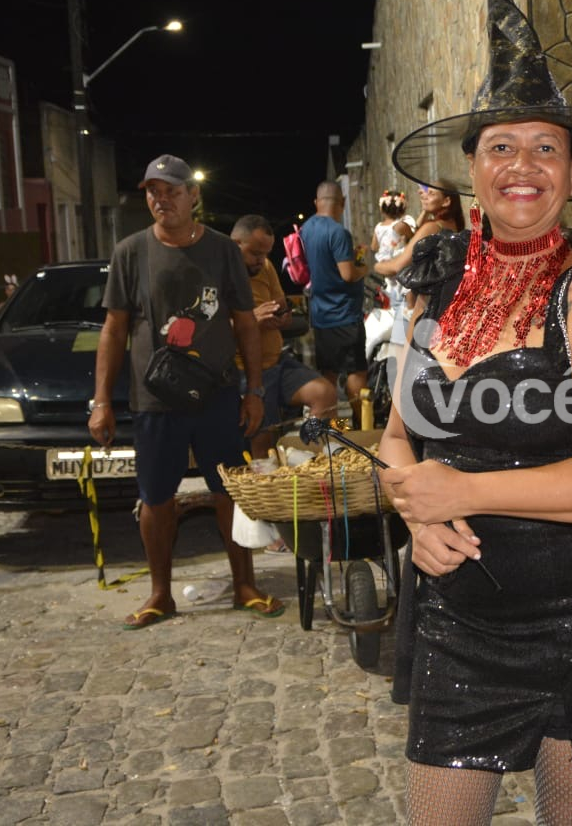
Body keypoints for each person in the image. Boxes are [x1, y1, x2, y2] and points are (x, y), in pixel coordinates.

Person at [379, 0, 572, 826]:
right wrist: (417, 513)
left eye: (545, 147)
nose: (522, 167)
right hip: (457, 615)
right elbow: (397, 439)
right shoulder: (438, 288)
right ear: (472, 167)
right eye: (501, 146)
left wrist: (463, 490)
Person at [90, 154, 284, 629]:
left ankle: (244, 584)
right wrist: (102, 401)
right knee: (156, 496)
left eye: (172, 191)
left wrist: (255, 390)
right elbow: (114, 329)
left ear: (193, 196)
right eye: (153, 192)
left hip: (217, 392)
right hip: (155, 399)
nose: (162, 200)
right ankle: (161, 594)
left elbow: (245, 323)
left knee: (229, 489)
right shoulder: (130, 252)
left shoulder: (221, 250)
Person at [230, 214, 338, 459]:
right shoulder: (217, 270)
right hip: (244, 370)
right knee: (262, 441)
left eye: (266, 253)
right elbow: (210, 329)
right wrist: (251, 320)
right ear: (236, 244)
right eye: (255, 253)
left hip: (276, 361)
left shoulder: (265, 267)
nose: (261, 260)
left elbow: (280, 304)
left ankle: (316, 457)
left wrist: (283, 316)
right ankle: (266, 478)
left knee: (324, 393)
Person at [300, 181, 369, 421]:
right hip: (344, 314)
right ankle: (361, 427)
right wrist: (363, 267)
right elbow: (348, 274)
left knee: (328, 372)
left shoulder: (307, 228)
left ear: (316, 202)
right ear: (343, 202)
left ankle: (328, 426)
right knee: (356, 371)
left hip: (320, 314)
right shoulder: (338, 232)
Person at [371, 189, 415, 310]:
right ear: (402, 209)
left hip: (385, 264)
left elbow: (374, 247)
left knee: (394, 298)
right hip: (399, 262)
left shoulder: (378, 227)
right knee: (406, 291)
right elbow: (414, 237)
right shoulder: (400, 225)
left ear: (382, 209)